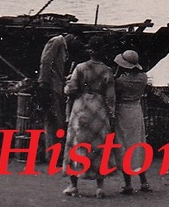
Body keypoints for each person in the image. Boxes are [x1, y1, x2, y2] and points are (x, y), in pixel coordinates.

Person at [63, 42, 116, 198]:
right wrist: (111, 115)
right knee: (99, 145)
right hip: (99, 109)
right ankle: (100, 186)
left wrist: (66, 87)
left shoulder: (80, 68)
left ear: (90, 51)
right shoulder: (107, 70)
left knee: (76, 144)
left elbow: (71, 88)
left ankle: (73, 185)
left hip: (82, 108)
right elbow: (111, 97)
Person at [112, 49, 153, 193]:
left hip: (122, 112)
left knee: (123, 145)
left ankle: (128, 183)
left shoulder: (120, 81)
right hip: (136, 110)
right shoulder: (143, 78)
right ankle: (144, 181)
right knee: (138, 144)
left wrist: (116, 74)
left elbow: (114, 91)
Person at [38, 33, 82, 159]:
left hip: (56, 86)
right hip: (51, 87)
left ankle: (52, 153)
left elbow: (55, 67)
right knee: (54, 121)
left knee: (55, 121)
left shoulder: (64, 47)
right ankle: (53, 154)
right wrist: (43, 83)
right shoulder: (57, 41)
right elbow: (45, 61)